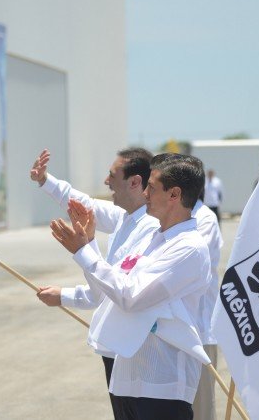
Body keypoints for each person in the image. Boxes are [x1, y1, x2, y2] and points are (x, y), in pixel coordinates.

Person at [50, 153, 211, 420]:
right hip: (128, 378)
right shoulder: (151, 236)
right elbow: (107, 291)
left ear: (174, 195)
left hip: (162, 386)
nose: (145, 193)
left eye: (152, 187)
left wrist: (83, 252)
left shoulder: (189, 248)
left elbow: (131, 296)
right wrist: (89, 243)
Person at [30, 148, 160, 418]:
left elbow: (115, 291)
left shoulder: (150, 228)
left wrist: (84, 247)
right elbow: (82, 203)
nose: (106, 182)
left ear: (135, 182)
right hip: (118, 350)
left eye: (113, 175)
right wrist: (46, 181)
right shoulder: (126, 219)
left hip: (135, 353)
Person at [186, 157, 223, 420]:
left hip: (199, 332)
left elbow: (189, 271)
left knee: (200, 410)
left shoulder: (204, 219)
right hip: (175, 335)